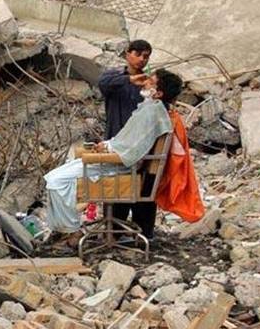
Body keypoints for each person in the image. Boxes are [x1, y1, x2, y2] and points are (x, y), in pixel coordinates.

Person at [43, 69, 183, 234]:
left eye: (151, 82)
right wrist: (107, 145)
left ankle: (70, 231)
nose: (145, 83)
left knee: (56, 181)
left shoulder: (152, 112)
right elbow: (128, 140)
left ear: (158, 93)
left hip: (119, 166)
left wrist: (108, 148)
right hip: (114, 161)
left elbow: (132, 151)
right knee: (54, 178)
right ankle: (64, 230)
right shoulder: (150, 109)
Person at [99, 39, 158, 239]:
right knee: (117, 188)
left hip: (143, 145)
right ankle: (114, 232)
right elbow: (103, 84)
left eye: (146, 56)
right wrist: (130, 80)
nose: (142, 59)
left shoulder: (149, 82)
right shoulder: (114, 77)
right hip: (118, 142)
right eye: (138, 54)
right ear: (128, 54)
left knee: (144, 189)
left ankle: (143, 234)